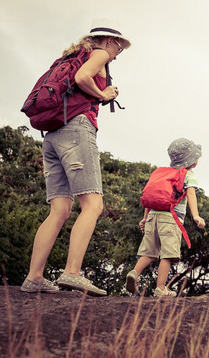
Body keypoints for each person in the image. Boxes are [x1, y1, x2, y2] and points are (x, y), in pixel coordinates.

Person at [20, 18, 131, 296]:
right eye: (119, 46)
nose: (119, 53)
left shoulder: (67, 57)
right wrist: (103, 94)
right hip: (76, 129)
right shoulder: (100, 54)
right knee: (93, 204)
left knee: (59, 209)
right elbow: (83, 78)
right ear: (108, 40)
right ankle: (72, 272)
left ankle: (34, 277)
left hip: (53, 133)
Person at [126, 138, 206, 297]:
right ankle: (160, 288)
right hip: (170, 219)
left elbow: (150, 198)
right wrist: (196, 216)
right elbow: (191, 194)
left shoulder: (161, 173)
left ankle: (134, 273)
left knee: (149, 252)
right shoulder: (188, 175)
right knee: (168, 254)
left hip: (152, 216)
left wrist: (145, 218)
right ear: (192, 161)